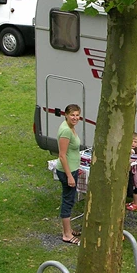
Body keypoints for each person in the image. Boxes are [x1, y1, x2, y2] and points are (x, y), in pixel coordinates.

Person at [56, 104, 82, 245]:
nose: (75, 118)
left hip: (72, 169)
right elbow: (62, 155)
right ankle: (66, 234)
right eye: (72, 115)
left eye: (77, 115)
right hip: (67, 171)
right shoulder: (66, 131)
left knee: (69, 199)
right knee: (68, 201)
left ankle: (69, 229)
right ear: (66, 115)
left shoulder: (70, 127)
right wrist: (70, 176)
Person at [126, 132, 137, 211]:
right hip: (131, 171)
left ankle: (136, 204)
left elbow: (133, 159)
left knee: (135, 187)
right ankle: (133, 201)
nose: (133, 143)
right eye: (131, 141)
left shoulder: (136, 150)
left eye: (135, 142)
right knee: (131, 186)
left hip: (135, 172)